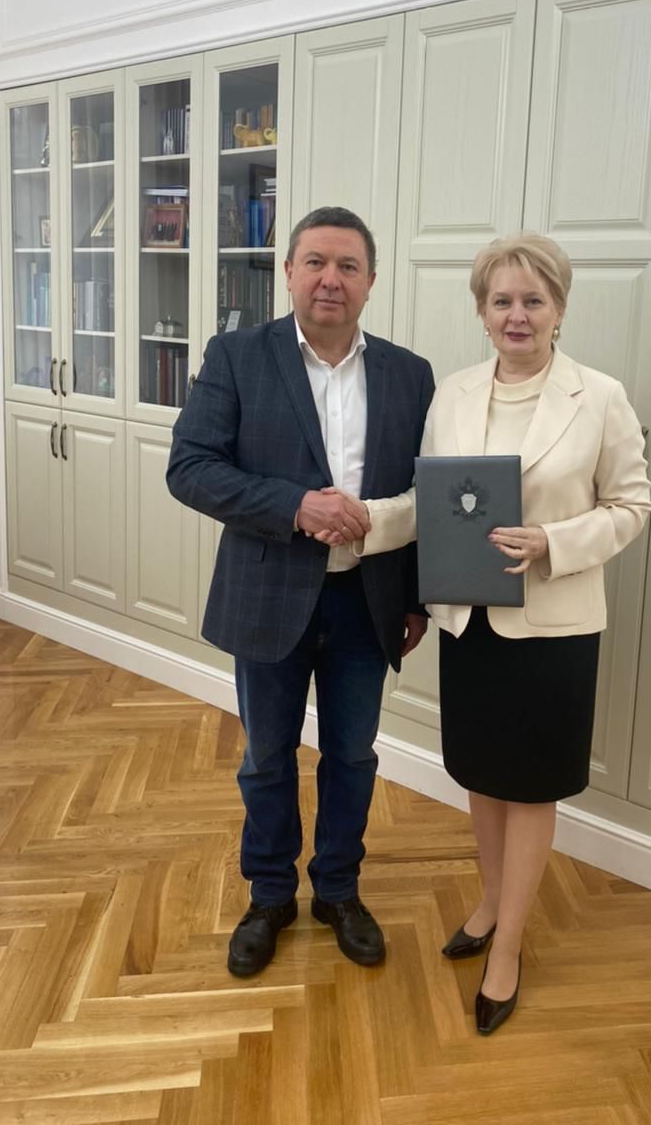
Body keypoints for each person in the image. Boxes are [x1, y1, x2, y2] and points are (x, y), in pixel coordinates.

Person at [321, 232, 651, 1032]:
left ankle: (507, 947)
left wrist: (552, 543)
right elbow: (430, 504)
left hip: (553, 628)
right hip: (469, 621)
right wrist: (364, 523)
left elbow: (632, 505)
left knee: (530, 784)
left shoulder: (599, 397)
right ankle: (491, 901)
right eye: (502, 300)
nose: (517, 315)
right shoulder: (456, 394)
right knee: (482, 774)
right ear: (482, 311)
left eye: (533, 300)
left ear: (559, 309)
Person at [166, 206, 435, 975]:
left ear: (372, 282)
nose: (330, 279)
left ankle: (339, 891)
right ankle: (270, 895)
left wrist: (416, 598)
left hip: (366, 604)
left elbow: (424, 495)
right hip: (268, 596)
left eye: (348, 266)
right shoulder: (236, 356)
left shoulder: (410, 374)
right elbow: (191, 469)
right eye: (315, 261)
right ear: (287, 273)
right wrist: (295, 506)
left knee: (352, 756)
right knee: (267, 758)